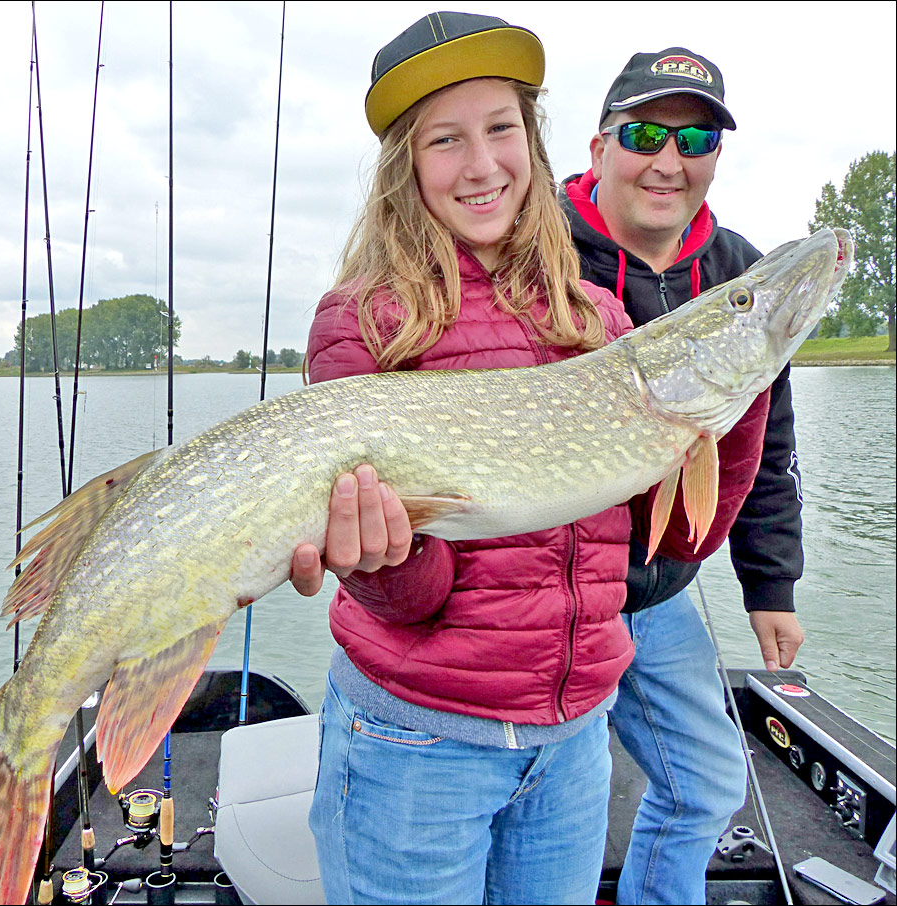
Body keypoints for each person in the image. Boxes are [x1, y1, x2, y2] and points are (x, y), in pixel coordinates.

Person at [288, 14, 767, 904]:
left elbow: (677, 541)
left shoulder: (598, 319)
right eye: (447, 140)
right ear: (407, 168)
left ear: (534, 145)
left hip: (574, 745)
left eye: (502, 128)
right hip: (417, 751)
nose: (482, 165)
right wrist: (381, 561)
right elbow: (409, 602)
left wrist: (741, 384)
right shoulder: (365, 319)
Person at [557, 48, 806, 904]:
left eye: (695, 137)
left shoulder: (738, 267)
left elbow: (769, 442)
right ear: (600, 148)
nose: (669, 160)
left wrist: (771, 585)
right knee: (566, 812)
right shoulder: (535, 248)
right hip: (551, 596)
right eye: (645, 134)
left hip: (659, 594)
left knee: (705, 784)